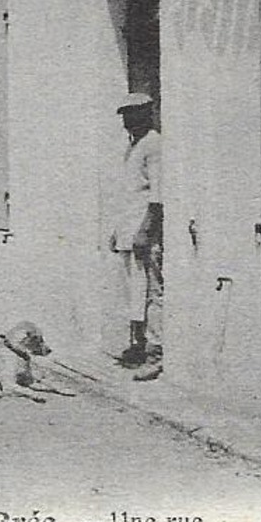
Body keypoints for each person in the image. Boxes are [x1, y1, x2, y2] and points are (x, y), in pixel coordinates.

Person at [109, 91, 163, 380]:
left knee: (152, 292)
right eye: (125, 116)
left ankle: (155, 351)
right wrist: (118, 231)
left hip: (144, 233)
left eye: (135, 114)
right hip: (128, 231)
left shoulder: (154, 144)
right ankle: (137, 345)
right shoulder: (132, 147)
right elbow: (129, 193)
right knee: (134, 291)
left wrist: (145, 231)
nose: (129, 121)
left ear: (148, 113)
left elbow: (156, 195)